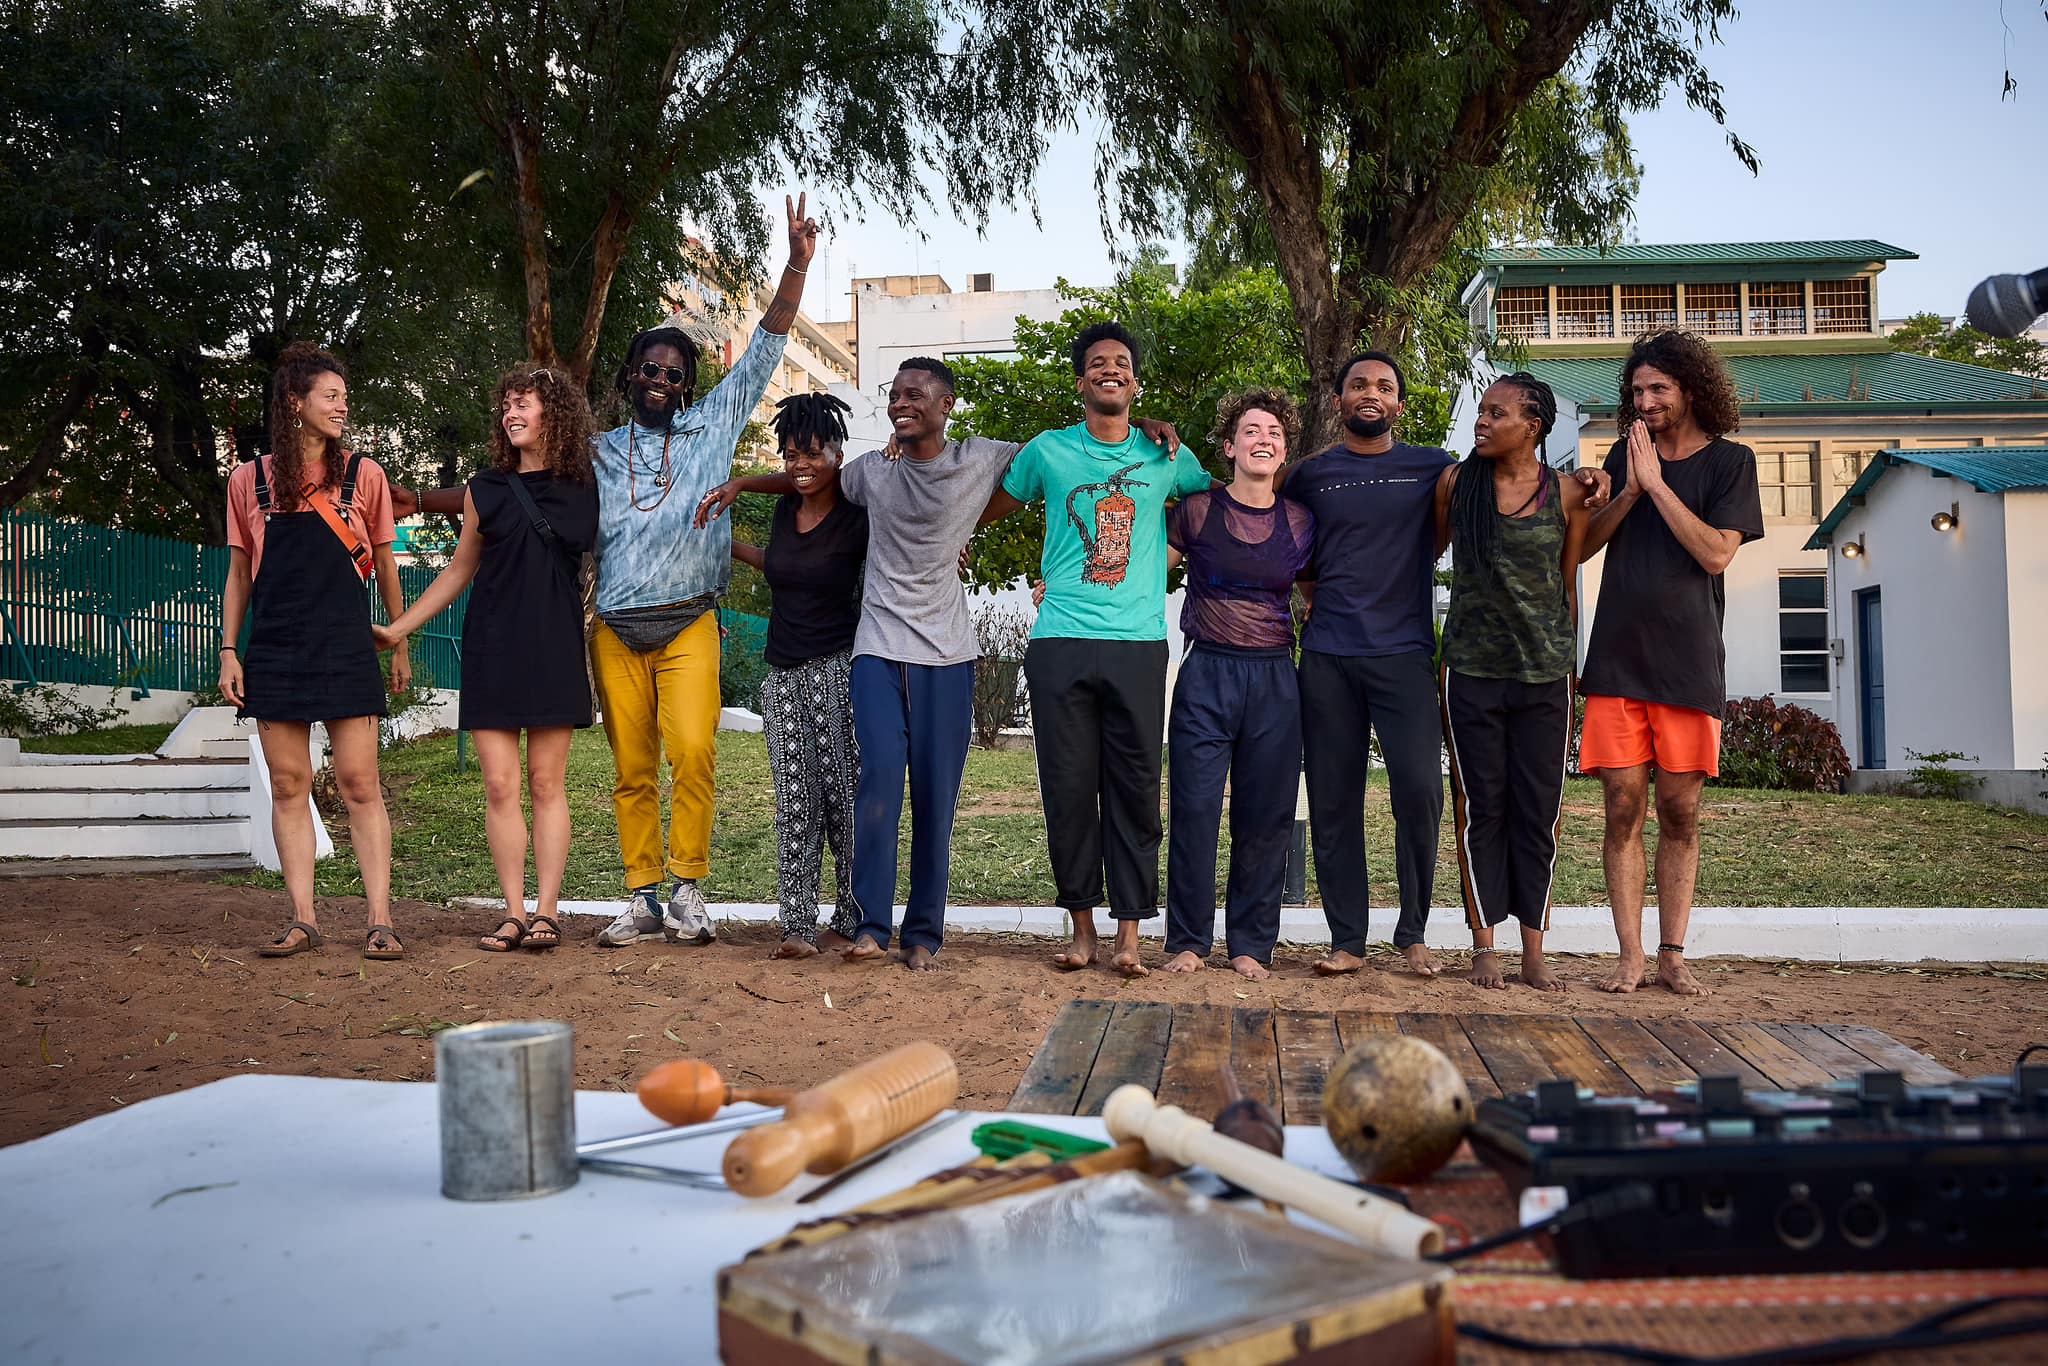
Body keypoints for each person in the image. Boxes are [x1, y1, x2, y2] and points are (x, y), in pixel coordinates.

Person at [394, 192, 820, 948]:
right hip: (616, 630)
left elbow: (767, 343)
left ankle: (688, 888)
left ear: (688, 383)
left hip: (690, 616)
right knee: (631, 768)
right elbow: (503, 493)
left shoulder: (711, 424)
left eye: (675, 369)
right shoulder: (595, 450)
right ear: (628, 376)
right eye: (649, 366)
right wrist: (414, 496)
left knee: (691, 751)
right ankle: (644, 896)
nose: (661, 375)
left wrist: (792, 265)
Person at [699, 359, 1181, 972]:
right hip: (877, 649)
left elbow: (1081, 440)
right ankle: (872, 925)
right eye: (895, 394)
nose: (902, 403)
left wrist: (1141, 419)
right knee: (876, 784)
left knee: (935, 798)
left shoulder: (982, 458)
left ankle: (923, 932)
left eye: (916, 395)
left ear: (946, 405)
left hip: (949, 656)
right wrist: (745, 485)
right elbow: (811, 478)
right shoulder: (872, 472)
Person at [986, 322, 1214, 978]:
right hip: (1059, 641)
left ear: (1134, 380)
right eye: (1096, 364)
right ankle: (1083, 931)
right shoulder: (1049, 452)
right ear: (1081, 380)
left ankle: (1130, 937)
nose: (1109, 370)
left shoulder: (1166, 454)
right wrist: (957, 538)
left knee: (1137, 791)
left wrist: (1161, 557)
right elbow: (985, 505)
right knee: (1067, 789)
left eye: (1120, 363)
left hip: (1138, 645)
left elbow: (1207, 513)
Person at [373, 365, 598, 953]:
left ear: (555, 413)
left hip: (553, 644)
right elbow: (458, 569)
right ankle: (514, 912)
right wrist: (399, 629)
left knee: (547, 784)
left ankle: (549, 911)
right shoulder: (485, 488)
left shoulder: (584, 485)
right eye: (506, 406)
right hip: (492, 645)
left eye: (524, 403)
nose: (512, 414)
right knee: (500, 786)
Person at [1577, 330, 1762, 997]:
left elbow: (1715, 553)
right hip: (1618, 659)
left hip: (1687, 664)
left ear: (1690, 389)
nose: (1646, 401)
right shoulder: (1624, 457)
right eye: (1637, 391)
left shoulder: (1731, 463)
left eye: (1658, 389)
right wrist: (1628, 487)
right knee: (1622, 805)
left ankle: (1672, 955)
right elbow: (1582, 550)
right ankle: (1629, 958)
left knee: (1680, 810)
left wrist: (1656, 485)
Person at [219, 343, 409, 962]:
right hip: (274, 647)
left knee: (360, 782)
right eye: (331, 397)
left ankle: (381, 919)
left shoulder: (365, 476)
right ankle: (303, 918)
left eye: (344, 398)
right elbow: (240, 572)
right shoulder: (248, 480)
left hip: (347, 645)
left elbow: (384, 562)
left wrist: (399, 639)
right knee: (287, 782)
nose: (342, 408)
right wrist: (230, 649)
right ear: (295, 404)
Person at [1280, 353, 1456, 980]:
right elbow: (1279, 537)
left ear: (1399, 404)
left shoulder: (1435, 468)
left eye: (1384, 386)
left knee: (1419, 790)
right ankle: (1347, 938)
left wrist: (1589, 484)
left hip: (1405, 652)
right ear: (1338, 401)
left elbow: (1494, 499)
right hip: (1327, 656)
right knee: (1333, 800)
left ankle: (1413, 932)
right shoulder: (1308, 476)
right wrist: (1309, 593)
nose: (1371, 393)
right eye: (1358, 384)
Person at [1433, 373, 1591, 992]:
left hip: (1545, 674)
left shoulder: (1569, 493)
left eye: (1497, 413)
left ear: (1534, 426)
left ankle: (1534, 945)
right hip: (1471, 670)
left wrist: (1574, 662)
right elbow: (1422, 549)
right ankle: (1485, 944)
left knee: (1539, 810)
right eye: (1481, 411)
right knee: (1480, 808)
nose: (1483, 421)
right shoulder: (1456, 484)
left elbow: (1568, 579)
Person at [1160, 389, 1314, 982]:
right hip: (1206, 673)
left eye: (1273, 432)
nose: (1263, 439)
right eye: (1251, 430)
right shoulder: (1197, 510)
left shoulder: (1301, 522)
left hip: (1275, 677)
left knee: (1266, 814)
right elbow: (1142, 573)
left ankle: (1252, 943)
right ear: (1229, 446)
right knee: (1195, 808)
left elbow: (1314, 595)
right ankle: (1189, 941)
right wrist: (1065, 586)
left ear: (1283, 451)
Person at [728, 392, 868, 958]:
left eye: (811, 452)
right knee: (794, 800)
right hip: (781, 675)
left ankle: (855, 917)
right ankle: (796, 926)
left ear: (837, 453)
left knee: (845, 800)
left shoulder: (860, 516)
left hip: (838, 670)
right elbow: (781, 564)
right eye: (789, 455)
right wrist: (728, 545)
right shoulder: (787, 510)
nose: (799, 465)